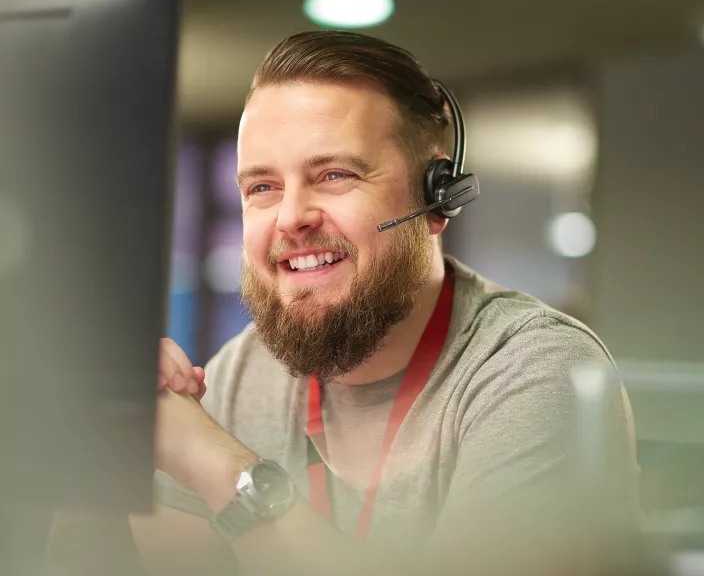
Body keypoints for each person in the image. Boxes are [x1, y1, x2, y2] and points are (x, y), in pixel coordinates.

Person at [47, 30, 641, 576]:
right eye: (262, 187)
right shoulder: (242, 371)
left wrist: (220, 466)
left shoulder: (536, 372)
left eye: (333, 175)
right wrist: (96, 455)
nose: (291, 218)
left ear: (437, 199)